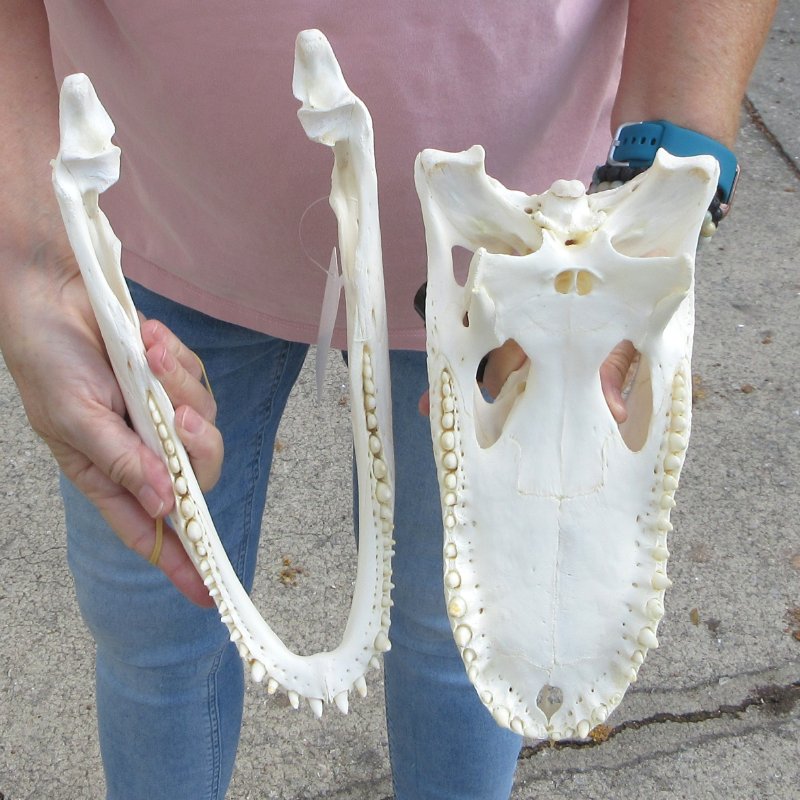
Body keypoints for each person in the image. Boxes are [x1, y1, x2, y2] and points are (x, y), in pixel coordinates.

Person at [0, 2, 777, 798]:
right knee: (153, 621)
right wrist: (30, 253)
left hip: (518, 271)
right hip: (144, 228)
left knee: (472, 635)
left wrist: (665, 176)